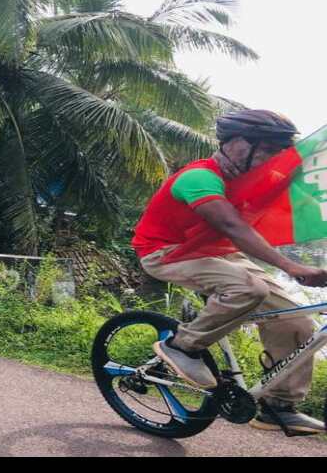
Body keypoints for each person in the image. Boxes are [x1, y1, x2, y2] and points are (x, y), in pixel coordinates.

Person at [133, 109, 327, 434]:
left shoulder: (255, 181)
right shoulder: (199, 178)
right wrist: (291, 267)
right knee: (250, 289)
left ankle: (278, 405)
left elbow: (314, 202)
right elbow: (231, 225)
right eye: (265, 149)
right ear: (235, 143)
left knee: (297, 321)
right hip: (164, 253)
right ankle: (181, 346)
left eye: (276, 153)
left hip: (218, 254)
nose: (270, 159)